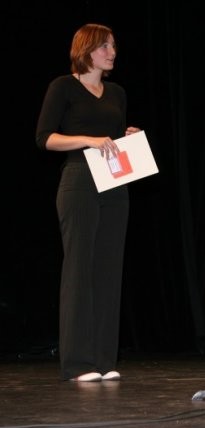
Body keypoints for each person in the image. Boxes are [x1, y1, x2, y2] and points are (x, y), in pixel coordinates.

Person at [35, 23, 141, 382]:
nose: (112, 52)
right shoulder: (63, 86)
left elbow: (113, 138)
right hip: (79, 179)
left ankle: (104, 360)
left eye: (113, 46)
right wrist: (88, 140)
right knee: (79, 269)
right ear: (87, 49)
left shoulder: (116, 92)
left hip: (114, 181)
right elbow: (45, 138)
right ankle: (78, 363)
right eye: (105, 46)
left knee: (109, 270)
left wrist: (129, 137)